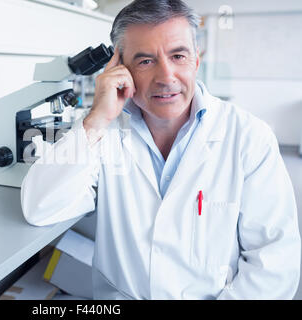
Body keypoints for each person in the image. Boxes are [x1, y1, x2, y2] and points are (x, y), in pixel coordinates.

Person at [21, 0, 301, 299]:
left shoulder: (248, 137)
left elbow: (275, 260)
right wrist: (96, 119)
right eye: (145, 61)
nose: (166, 77)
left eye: (178, 56)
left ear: (196, 60)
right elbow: (40, 208)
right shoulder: (102, 132)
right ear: (119, 69)